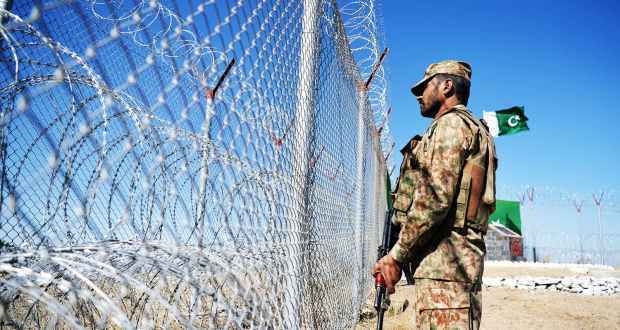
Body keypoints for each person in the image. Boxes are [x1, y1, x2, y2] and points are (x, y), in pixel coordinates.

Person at [372, 60, 497, 329]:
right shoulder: (471, 128)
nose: (419, 94)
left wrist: (396, 257)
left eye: (425, 86)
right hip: (452, 268)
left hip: (446, 268)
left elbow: (434, 200)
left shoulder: (451, 126)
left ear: (447, 86)